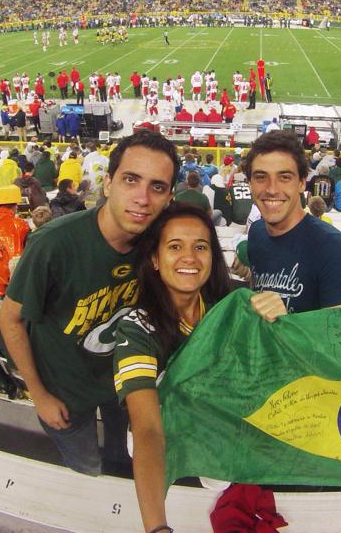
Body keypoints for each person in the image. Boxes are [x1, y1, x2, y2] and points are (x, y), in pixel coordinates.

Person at [0, 129, 179, 476]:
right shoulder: (53, 244)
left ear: (169, 197)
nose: (142, 197)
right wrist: (39, 395)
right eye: (130, 179)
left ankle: (116, 466)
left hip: (120, 378)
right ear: (108, 183)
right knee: (85, 465)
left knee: (120, 451)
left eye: (156, 187)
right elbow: (10, 320)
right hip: (63, 390)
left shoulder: (158, 242)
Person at [113, 203, 233, 533]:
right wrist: (157, 527)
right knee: (147, 446)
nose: (190, 258)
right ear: (154, 258)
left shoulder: (232, 305)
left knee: (217, 482)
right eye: (175, 246)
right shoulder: (137, 329)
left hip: (214, 428)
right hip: (162, 428)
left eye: (201, 247)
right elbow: (148, 428)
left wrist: (270, 309)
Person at [244, 131, 341, 318]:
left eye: (284, 177)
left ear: (301, 183)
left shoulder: (335, 250)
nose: (272, 189)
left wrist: (289, 324)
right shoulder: (256, 233)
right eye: (260, 177)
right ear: (250, 183)